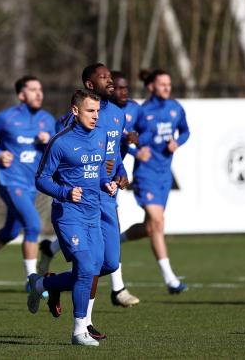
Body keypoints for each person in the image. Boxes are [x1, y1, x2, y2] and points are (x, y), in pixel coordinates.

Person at [38, 63, 128, 340]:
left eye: (97, 111)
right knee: (87, 267)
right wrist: (66, 192)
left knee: (106, 264)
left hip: (99, 204)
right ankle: (82, 327)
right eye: (90, 111)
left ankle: (48, 283)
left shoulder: (107, 126)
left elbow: (106, 163)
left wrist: (112, 180)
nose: (95, 116)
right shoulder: (63, 137)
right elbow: (42, 178)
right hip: (71, 210)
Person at [0, 76, 55, 291]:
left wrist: (49, 140)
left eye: (40, 89)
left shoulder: (48, 120)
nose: (38, 93)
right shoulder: (6, 118)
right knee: (33, 225)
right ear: (21, 95)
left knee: (11, 231)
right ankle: (33, 281)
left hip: (32, 184)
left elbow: (56, 147)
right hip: (10, 181)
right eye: (33, 89)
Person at [116, 69, 190, 294]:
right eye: (162, 84)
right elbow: (124, 138)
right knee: (158, 222)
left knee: (150, 227)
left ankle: (113, 241)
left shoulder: (176, 108)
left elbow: (186, 131)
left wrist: (178, 142)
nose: (167, 87)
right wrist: (137, 151)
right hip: (145, 174)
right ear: (151, 87)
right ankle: (171, 280)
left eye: (169, 83)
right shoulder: (142, 112)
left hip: (164, 176)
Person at [106, 71, 142, 307]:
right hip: (90, 180)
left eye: (125, 88)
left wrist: (122, 171)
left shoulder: (130, 110)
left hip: (111, 180)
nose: (123, 92)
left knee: (108, 231)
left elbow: (131, 139)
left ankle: (117, 289)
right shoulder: (96, 111)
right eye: (118, 87)